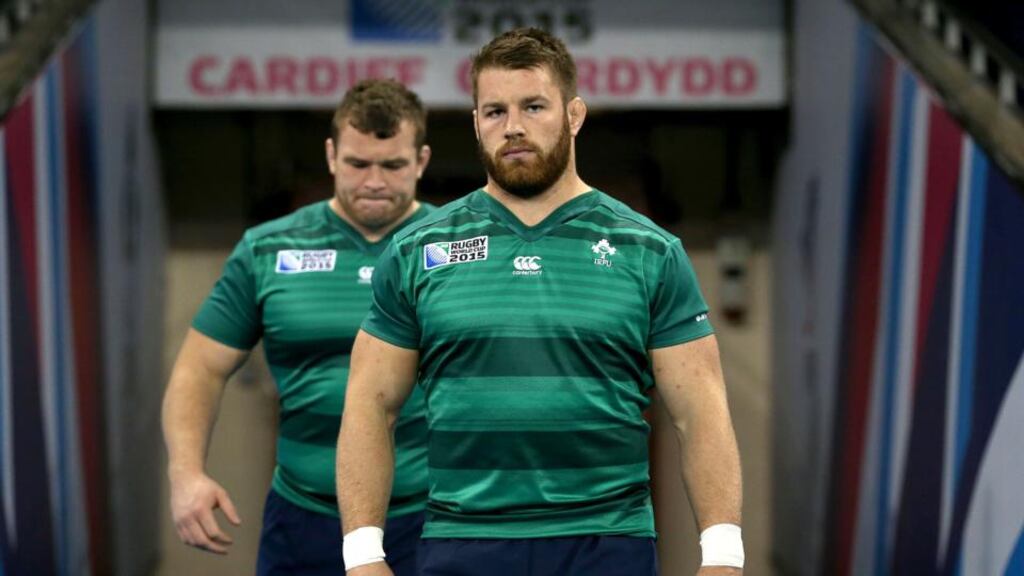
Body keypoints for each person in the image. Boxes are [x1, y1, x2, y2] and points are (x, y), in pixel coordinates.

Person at [336, 28, 745, 576]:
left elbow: (700, 411)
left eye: (533, 106)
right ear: (476, 122)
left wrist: (723, 555)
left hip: (607, 543)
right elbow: (370, 402)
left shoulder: (649, 251)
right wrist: (362, 554)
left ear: (574, 115)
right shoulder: (416, 251)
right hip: (464, 543)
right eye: (495, 111)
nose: (514, 127)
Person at [162, 78, 434, 576]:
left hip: (428, 521)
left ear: (421, 161)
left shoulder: (459, 248)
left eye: (393, 165)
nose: (374, 181)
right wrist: (185, 474)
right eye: (358, 164)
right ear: (331, 156)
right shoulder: (268, 250)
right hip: (304, 519)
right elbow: (199, 369)